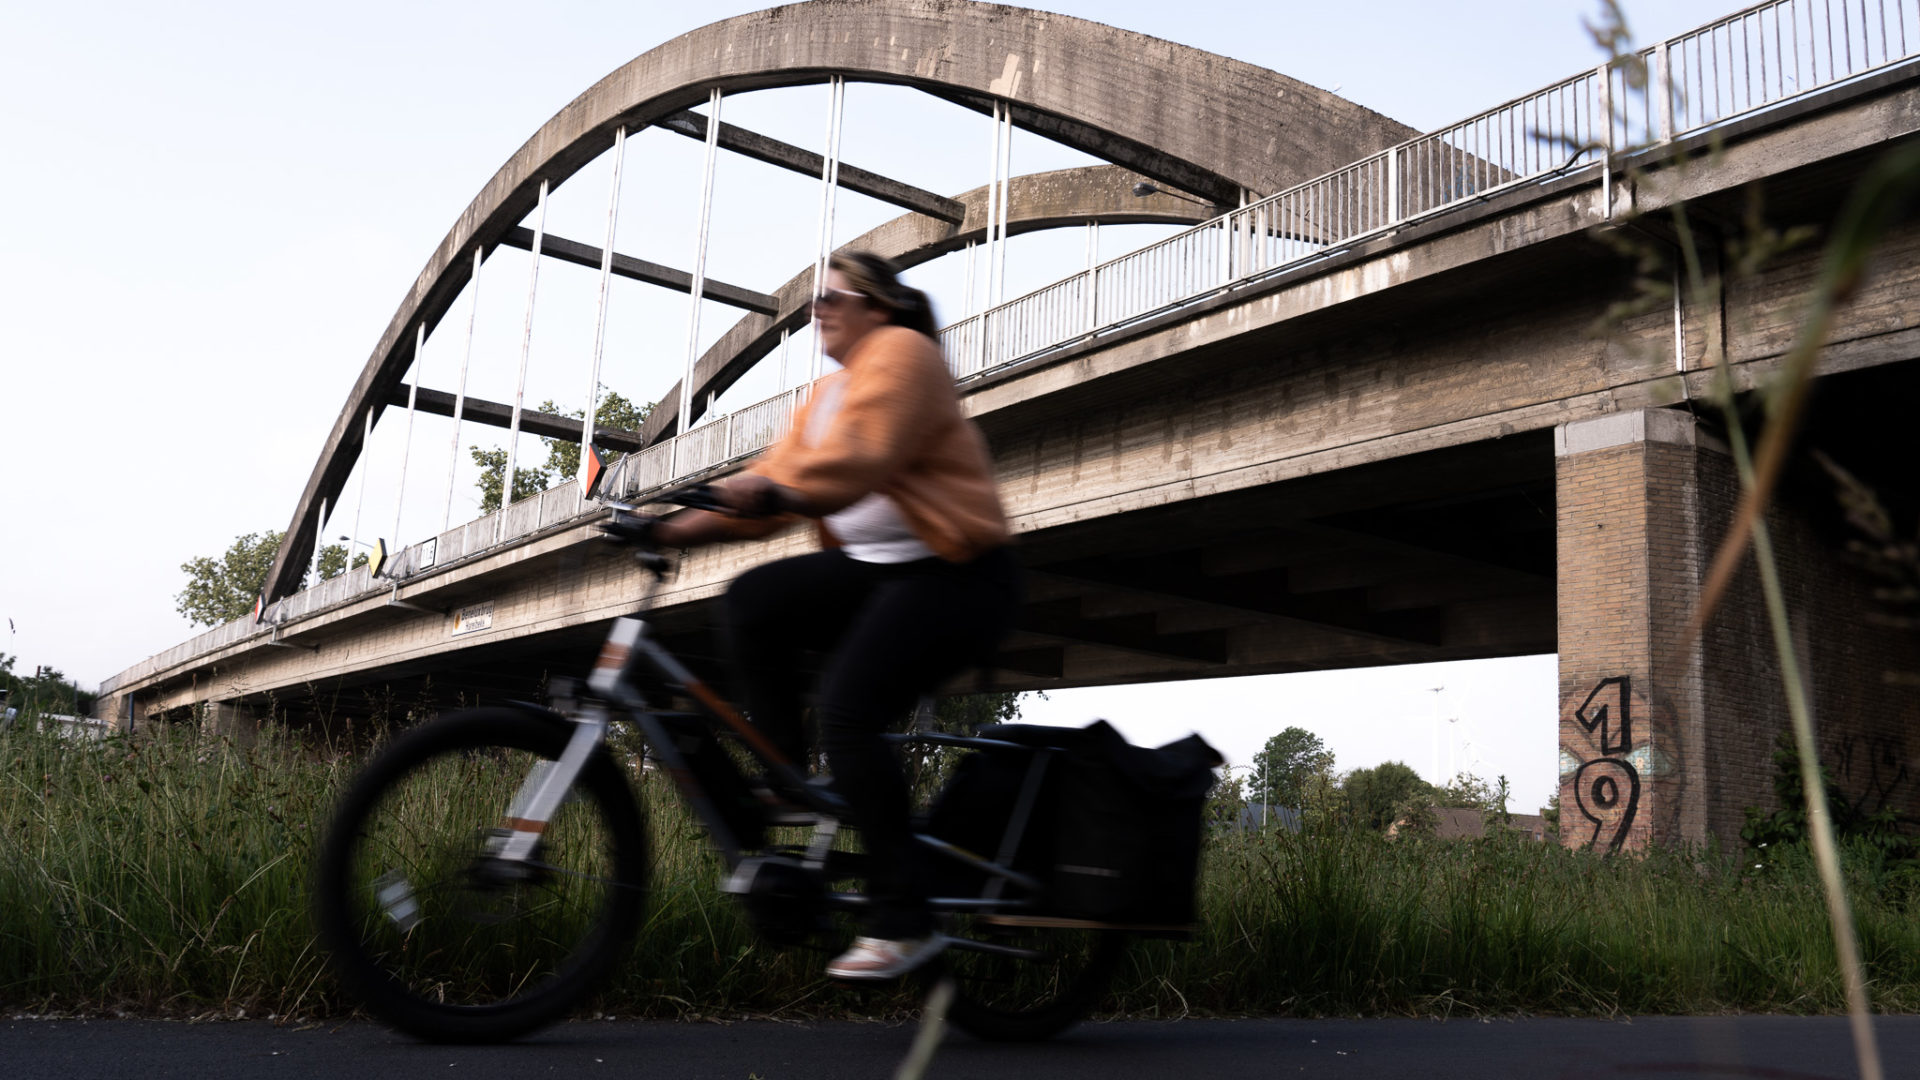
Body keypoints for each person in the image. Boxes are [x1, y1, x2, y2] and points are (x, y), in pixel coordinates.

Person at [649, 251, 1022, 980]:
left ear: (876, 306)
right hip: (883, 576)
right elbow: (776, 485)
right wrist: (666, 526)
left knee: (850, 714)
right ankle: (784, 777)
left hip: (962, 575)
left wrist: (766, 490)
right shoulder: (825, 393)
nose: (818, 308)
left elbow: (859, 460)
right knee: (753, 600)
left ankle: (904, 922)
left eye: (833, 296)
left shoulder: (905, 353)